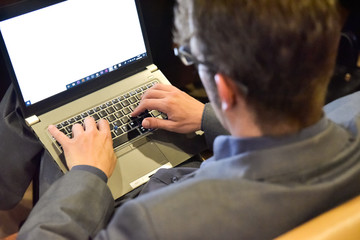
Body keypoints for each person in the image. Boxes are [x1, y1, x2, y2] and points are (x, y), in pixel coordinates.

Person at [5, 0, 360, 239]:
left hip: (139, 197)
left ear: (225, 88)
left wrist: (87, 174)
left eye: (191, 56)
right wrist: (207, 115)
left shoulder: (152, 225)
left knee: (23, 110)